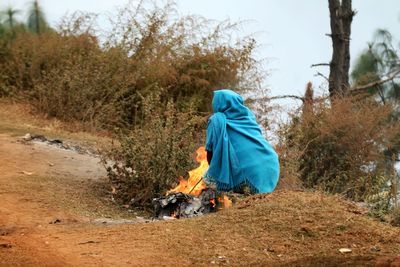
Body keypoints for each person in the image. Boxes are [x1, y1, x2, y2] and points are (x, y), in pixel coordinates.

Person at [205, 89, 279, 194]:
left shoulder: (216, 120)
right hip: (271, 166)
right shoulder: (249, 117)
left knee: (207, 180)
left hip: (249, 173)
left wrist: (215, 173)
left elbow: (210, 152)